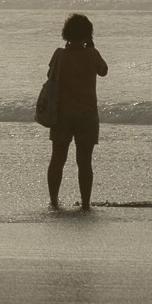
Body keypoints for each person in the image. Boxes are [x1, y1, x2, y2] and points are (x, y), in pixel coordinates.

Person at [47, 13, 108, 209]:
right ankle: (86, 203)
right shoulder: (92, 55)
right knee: (84, 161)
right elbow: (104, 70)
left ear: (66, 34)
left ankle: (54, 201)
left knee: (58, 158)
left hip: (62, 113)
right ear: (87, 34)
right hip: (87, 114)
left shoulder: (60, 55)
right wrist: (91, 46)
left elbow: (50, 75)